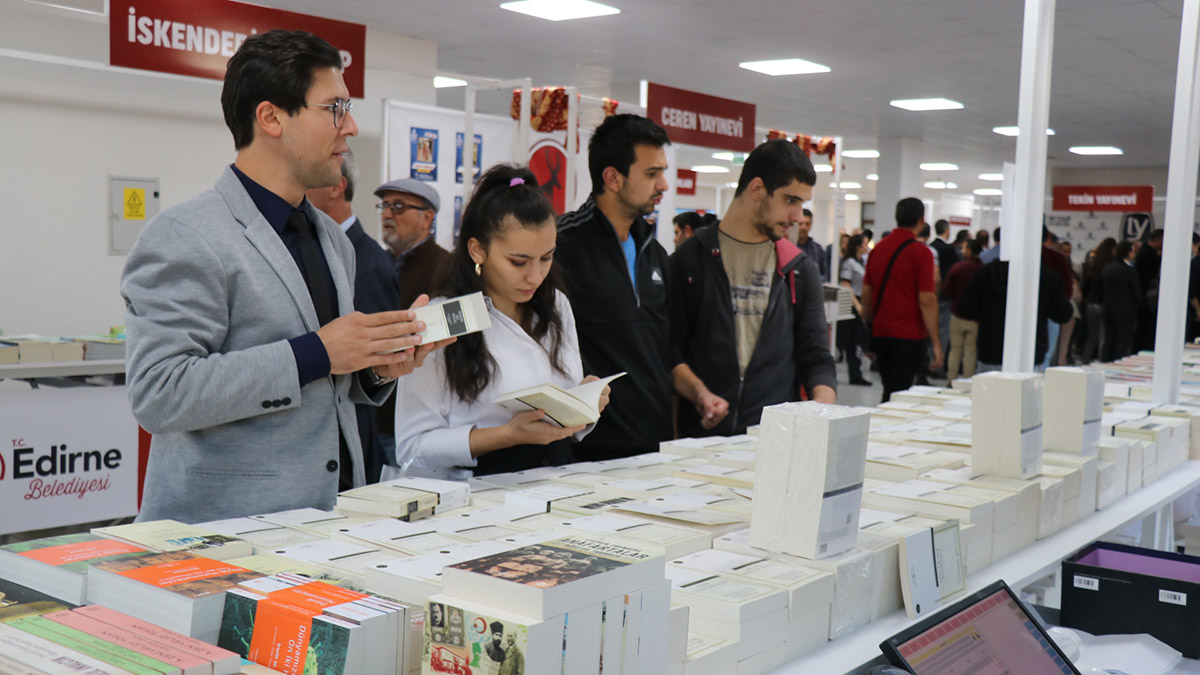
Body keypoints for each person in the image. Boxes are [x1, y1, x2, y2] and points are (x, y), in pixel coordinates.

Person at [120, 30, 444, 523]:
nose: (351, 126)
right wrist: (317, 352)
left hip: (329, 522)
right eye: (334, 108)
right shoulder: (185, 235)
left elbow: (327, 383)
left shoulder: (331, 240)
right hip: (225, 534)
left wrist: (377, 365)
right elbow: (160, 392)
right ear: (271, 117)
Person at [391, 165, 609, 478]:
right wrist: (508, 434)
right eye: (518, 262)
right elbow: (413, 448)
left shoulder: (556, 304)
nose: (535, 276)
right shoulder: (442, 318)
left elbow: (566, 422)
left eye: (546, 258)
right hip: (477, 498)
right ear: (478, 250)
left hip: (556, 483)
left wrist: (583, 405)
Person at [670, 139, 836, 437]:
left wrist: (823, 405)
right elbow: (669, 351)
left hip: (775, 438)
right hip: (699, 441)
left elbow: (816, 356)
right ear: (757, 189)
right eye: (790, 200)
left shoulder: (799, 268)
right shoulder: (689, 261)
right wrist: (700, 394)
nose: (798, 216)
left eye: (802, 204)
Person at [556, 114, 674, 461]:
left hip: (654, 446)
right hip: (588, 450)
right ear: (613, 178)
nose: (664, 184)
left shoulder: (655, 252)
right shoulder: (561, 246)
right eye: (652, 174)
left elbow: (664, 350)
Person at [305, 146, 400, 483]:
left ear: (336, 186)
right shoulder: (315, 250)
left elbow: (377, 356)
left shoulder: (368, 261)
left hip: (350, 434)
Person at [861, 197, 942, 402]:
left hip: (881, 332)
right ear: (921, 220)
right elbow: (927, 300)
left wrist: (869, 325)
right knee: (899, 393)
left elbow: (867, 293)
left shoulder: (877, 249)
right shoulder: (921, 252)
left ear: (896, 218)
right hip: (908, 336)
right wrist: (936, 343)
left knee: (889, 388)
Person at [956, 257, 1073, 372]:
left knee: (991, 389)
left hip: (991, 350)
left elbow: (966, 309)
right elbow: (1062, 314)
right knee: (1027, 388)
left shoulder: (984, 274)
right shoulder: (1047, 276)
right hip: (1031, 351)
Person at [376, 178, 450, 309]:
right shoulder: (375, 261)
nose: (387, 215)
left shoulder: (446, 268)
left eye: (398, 206)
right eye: (384, 206)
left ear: (427, 218)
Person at [941, 239, 984, 381]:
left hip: (957, 314)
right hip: (976, 318)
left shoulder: (957, 268)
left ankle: (951, 380)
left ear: (970, 250)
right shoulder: (984, 269)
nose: (963, 251)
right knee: (970, 351)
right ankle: (967, 381)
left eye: (965, 248)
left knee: (955, 350)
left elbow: (947, 290)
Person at [838, 234, 871, 385]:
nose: (867, 247)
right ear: (858, 246)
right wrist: (857, 304)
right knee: (852, 340)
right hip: (852, 304)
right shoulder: (849, 262)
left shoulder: (861, 262)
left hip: (860, 301)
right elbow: (846, 284)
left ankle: (856, 373)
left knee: (857, 340)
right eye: (865, 244)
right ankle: (855, 374)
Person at [1102, 240, 1142, 362]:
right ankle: (1117, 363)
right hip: (1125, 312)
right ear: (1128, 252)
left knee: (1108, 340)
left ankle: (1105, 362)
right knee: (1121, 342)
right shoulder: (1129, 271)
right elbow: (1136, 293)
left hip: (1108, 310)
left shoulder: (1107, 268)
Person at [1041, 226, 1075, 368]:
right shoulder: (1056, 258)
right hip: (1050, 313)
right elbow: (1067, 288)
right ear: (1048, 239)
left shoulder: (1016, 256)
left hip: (1022, 313)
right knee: (1046, 354)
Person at [1080, 237, 1116, 363]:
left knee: (1092, 337)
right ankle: (1101, 362)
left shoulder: (1093, 265)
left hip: (1091, 304)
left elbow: (1085, 286)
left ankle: (1085, 360)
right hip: (1104, 303)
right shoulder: (1111, 267)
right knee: (1103, 337)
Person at [1134, 228, 1164, 352]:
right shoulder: (1149, 255)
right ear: (1159, 240)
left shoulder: (1144, 252)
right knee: (1145, 331)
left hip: (1143, 299)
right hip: (1148, 300)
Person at [793, 208, 829, 282]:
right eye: (800, 224)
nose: (803, 227)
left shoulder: (818, 249)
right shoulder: (789, 247)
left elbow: (824, 274)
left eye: (807, 224)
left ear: (811, 225)